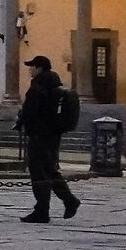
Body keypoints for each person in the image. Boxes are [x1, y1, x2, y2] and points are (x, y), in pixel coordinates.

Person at [16, 55, 81, 222]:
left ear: (39, 68)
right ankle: (67, 200)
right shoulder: (55, 86)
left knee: (38, 171)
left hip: (39, 135)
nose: (30, 70)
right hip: (53, 134)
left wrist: (22, 119)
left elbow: (31, 111)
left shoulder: (38, 87)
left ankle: (43, 210)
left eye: (32, 67)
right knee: (50, 169)